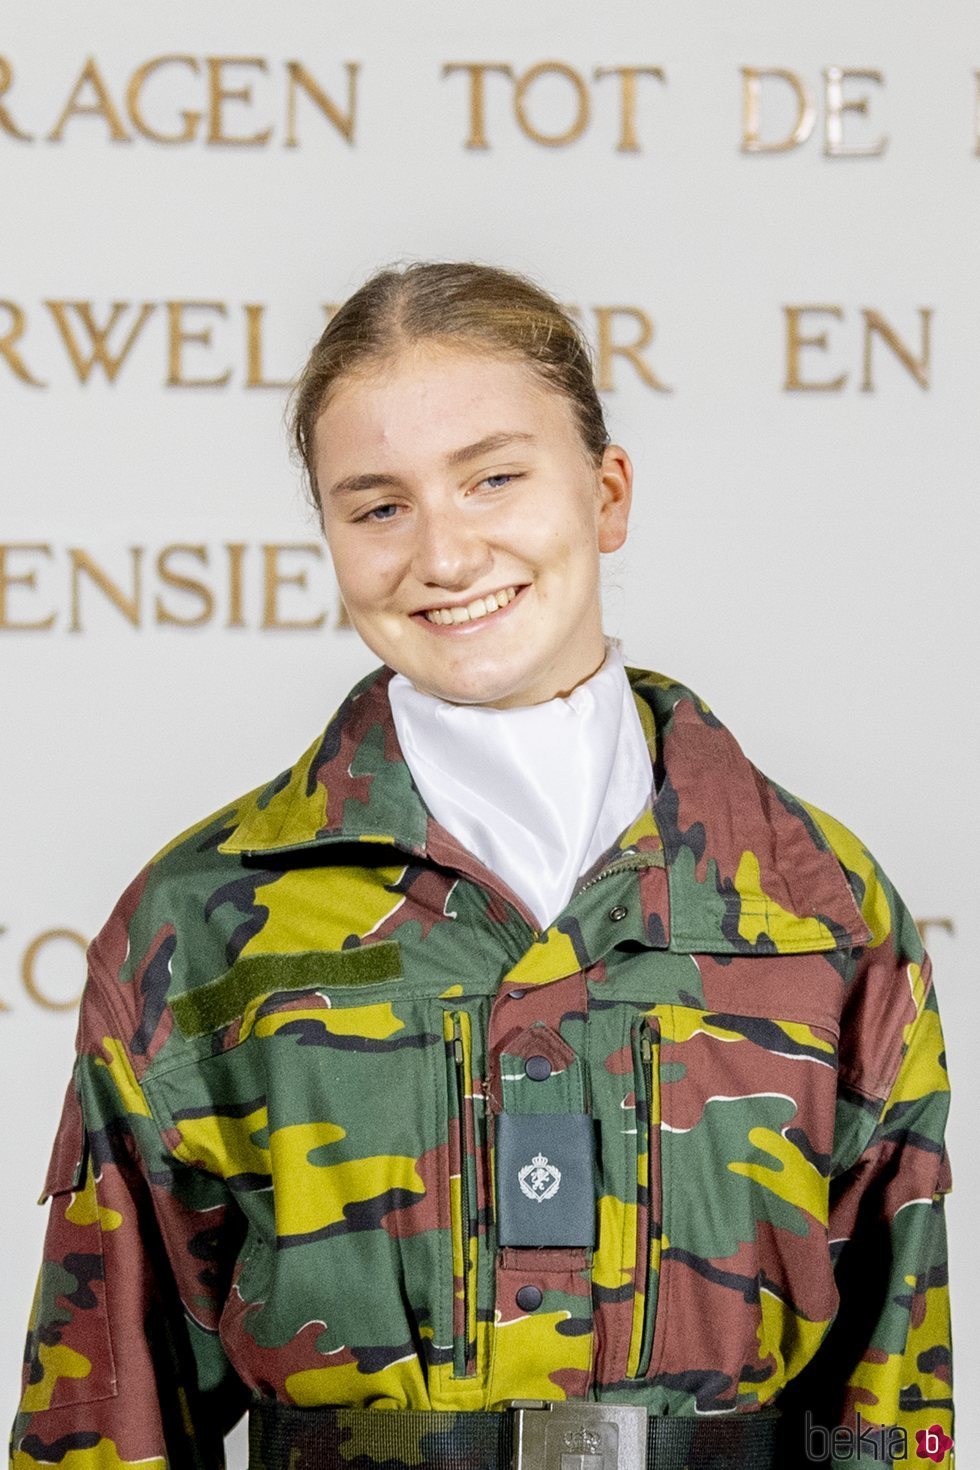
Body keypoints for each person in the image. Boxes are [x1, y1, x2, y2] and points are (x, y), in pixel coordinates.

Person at [11, 262, 953, 1470]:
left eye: (494, 477)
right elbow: (107, 1416)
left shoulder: (819, 908)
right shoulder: (196, 928)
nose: (445, 554)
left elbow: (888, 1390)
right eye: (378, 506)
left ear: (606, 495)